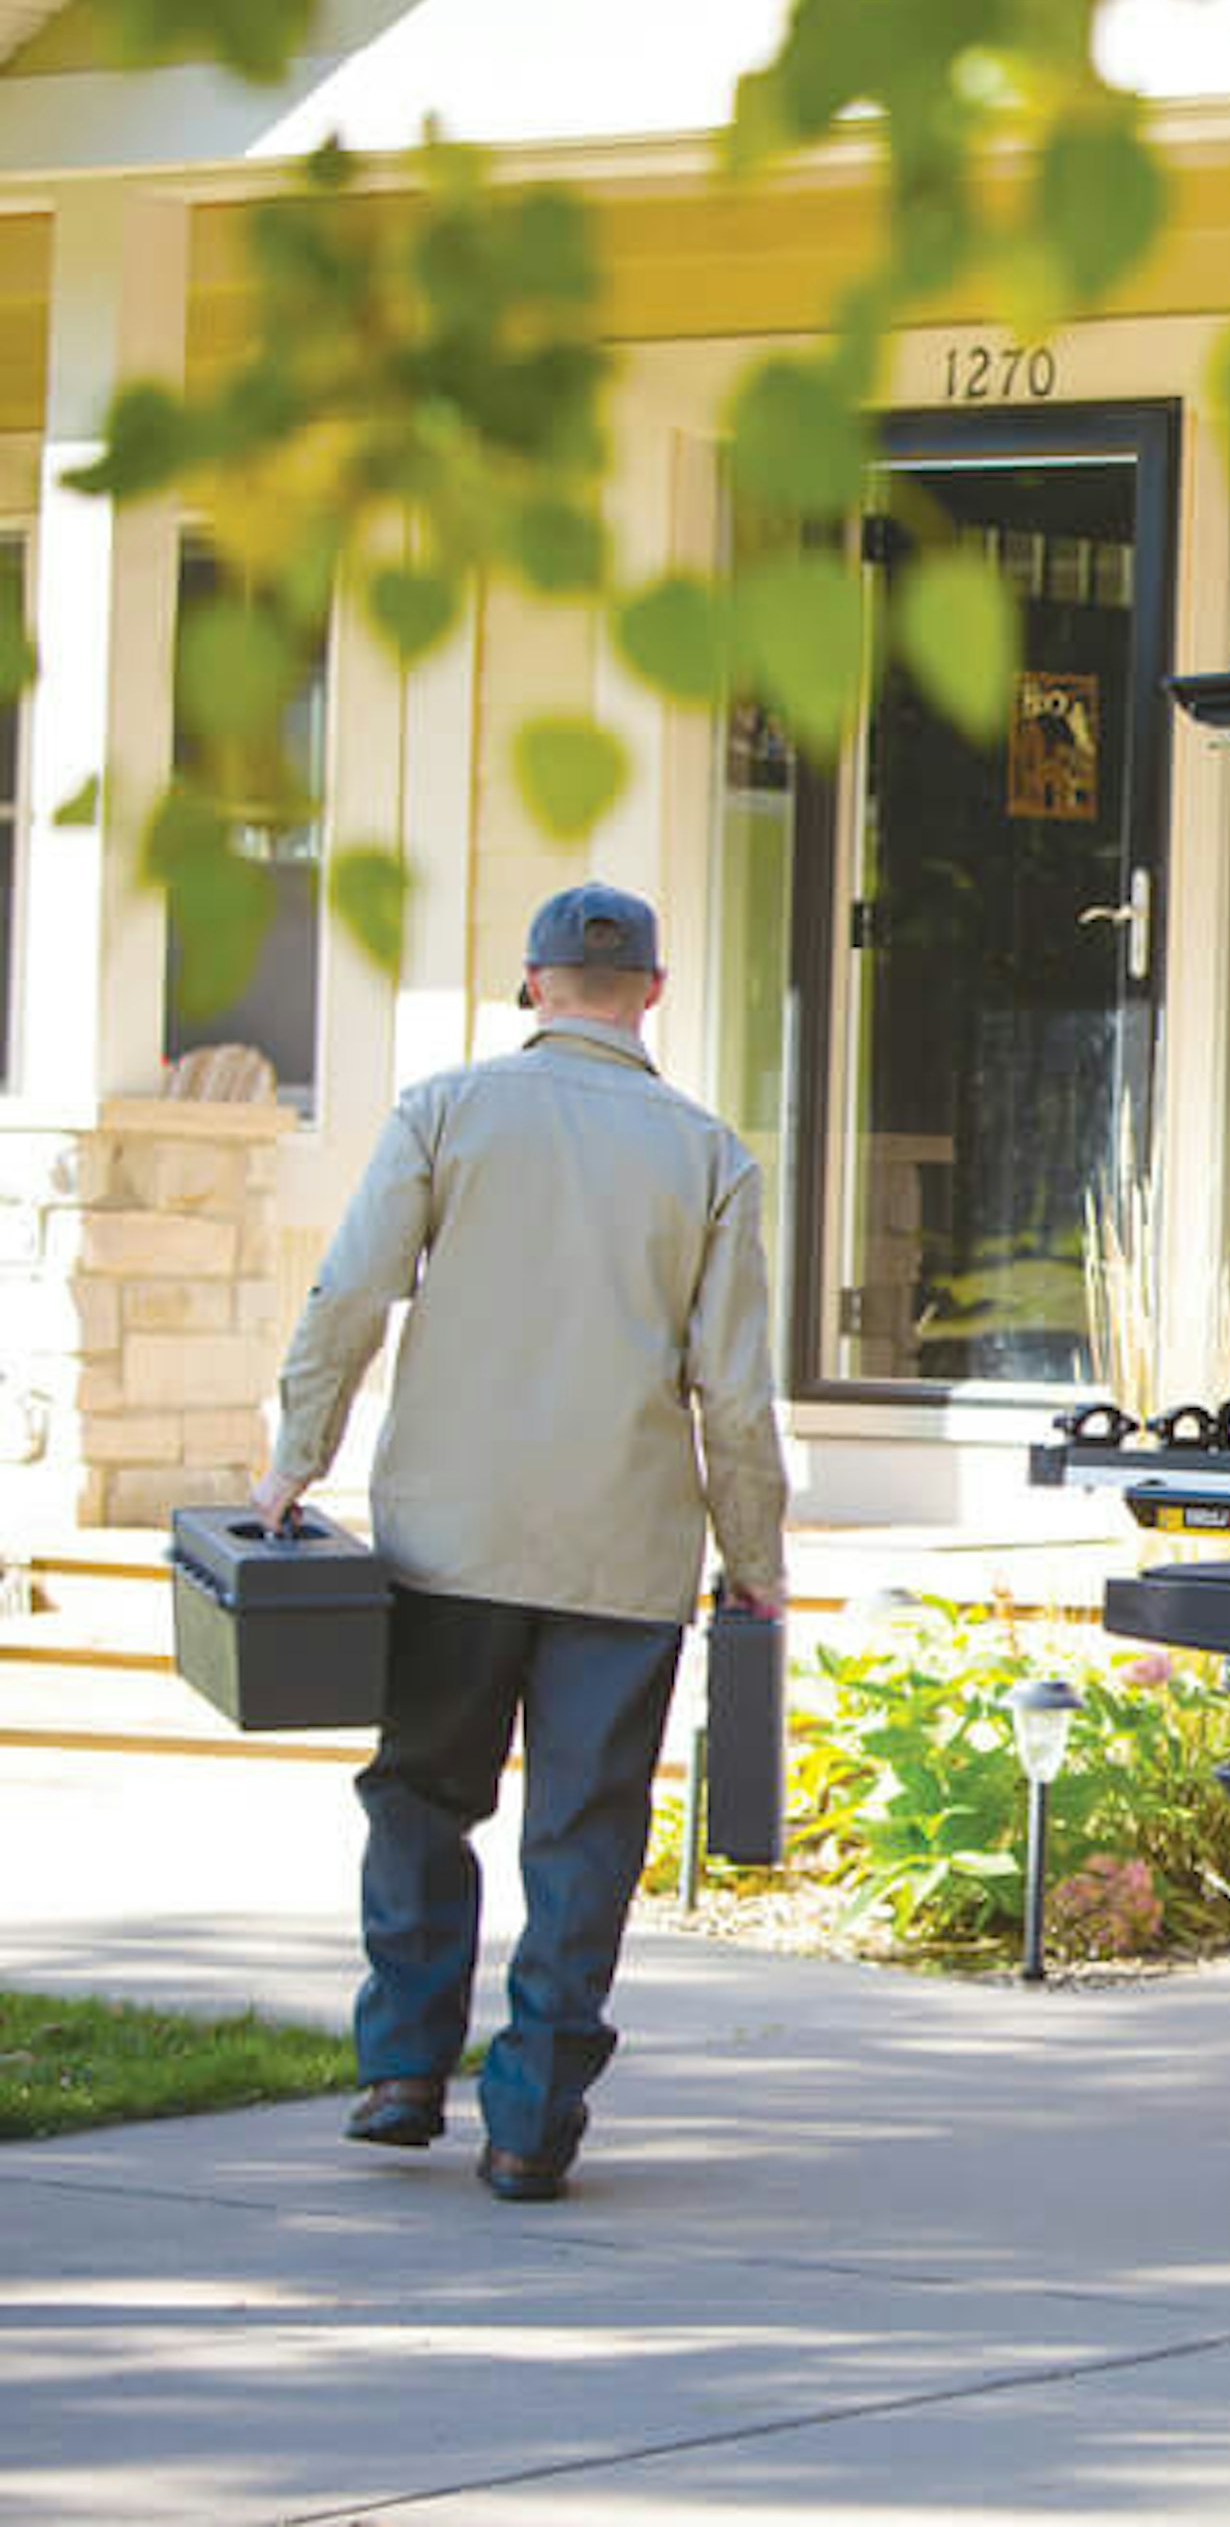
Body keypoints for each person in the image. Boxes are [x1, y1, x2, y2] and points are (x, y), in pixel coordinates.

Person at [257, 884, 788, 2203]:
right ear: (652, 994)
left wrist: (295, 1458)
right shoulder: (710, 1155)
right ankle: (532, 2122)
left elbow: (351, 1294)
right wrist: (754, 1552)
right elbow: (734, 1391)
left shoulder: (446, 1111)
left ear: (533, 983)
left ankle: (398, 2069)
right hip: (623, 1553)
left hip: (450, 1536)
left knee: (422, 1795)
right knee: (584, 1829)